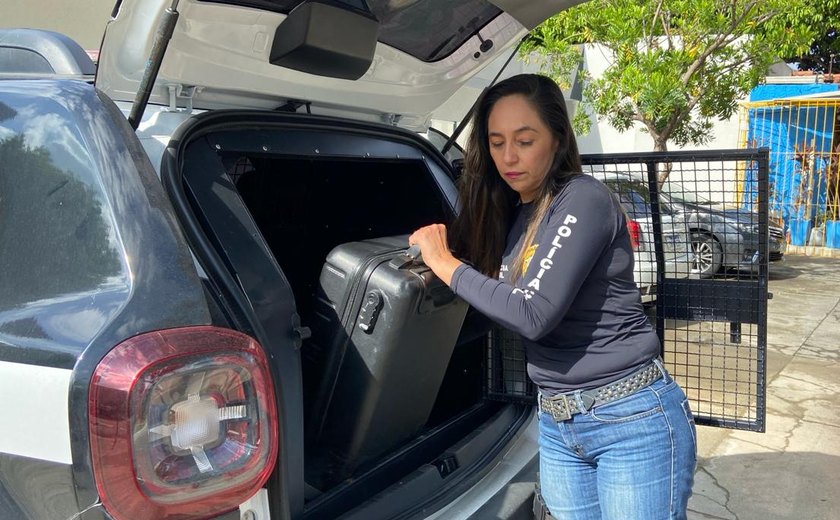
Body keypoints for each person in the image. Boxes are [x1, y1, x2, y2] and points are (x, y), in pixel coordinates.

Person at [408, 74, 696, 520]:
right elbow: (493, 294)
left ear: (558, 140)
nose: (508, 157)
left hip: (630, 420)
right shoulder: (516, 213)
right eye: (497, 142)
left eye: (525, 140)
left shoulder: (583, 198)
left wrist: (444, 262)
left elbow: (532, 313)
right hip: (558, 422)